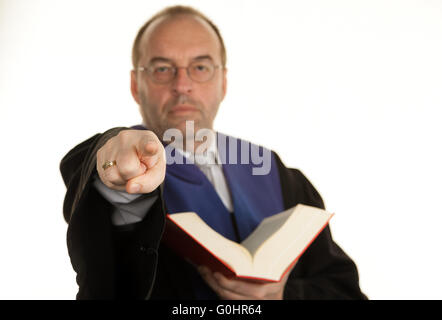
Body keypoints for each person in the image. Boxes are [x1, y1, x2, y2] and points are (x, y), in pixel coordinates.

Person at [60, 5, 367, 300]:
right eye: (162, 68)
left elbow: (345, 291)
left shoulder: (275, 172)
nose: (183, 85)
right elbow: (104, 271)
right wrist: (107, 158)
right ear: (135, 85)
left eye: (201, 67)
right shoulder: (124, 167)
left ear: (223, 82)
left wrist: (284, 296)